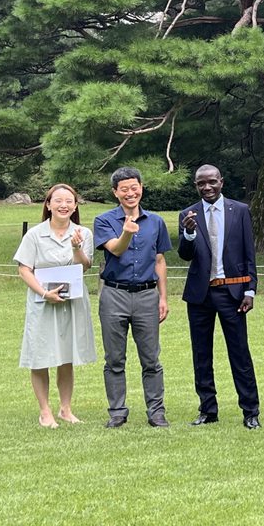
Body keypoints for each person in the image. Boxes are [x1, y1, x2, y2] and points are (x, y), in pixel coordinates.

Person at [178, 165, 261, 429]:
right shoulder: (187, 214)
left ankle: (250, 411)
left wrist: (250, 290)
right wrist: (189, 233)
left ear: (221, 182)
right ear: (196, 186)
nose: (207, 187)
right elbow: (185, 255)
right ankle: (208, 409)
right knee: (202, 354)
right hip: (200, 295)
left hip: (233, 292)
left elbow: (249, 254)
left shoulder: (240, 211)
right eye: (201, 183)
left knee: (240, 353)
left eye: (212, 182)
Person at [94, 167, 172, 428]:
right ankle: (117, 411)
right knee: (114, 358)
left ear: (141, 187)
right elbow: (115, 250)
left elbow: (160, 260)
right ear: (115, 193)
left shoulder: (156, 222)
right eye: (124, 189)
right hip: (114, 294)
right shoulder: (104, 221)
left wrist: (163, 297)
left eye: (134, 187)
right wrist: (127, 231)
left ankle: (156, 411)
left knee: (151, 358)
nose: (130, 193)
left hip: (147, 296)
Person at [13, 183, 96, 428]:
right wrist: (43, 292)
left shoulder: (83, 233)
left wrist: (76, 247)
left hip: (72, 303)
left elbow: (84, 266)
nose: (63, 205)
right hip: (43, 302)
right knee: (40, 357)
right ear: (48, 205)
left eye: (69, 201)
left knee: (66, 355)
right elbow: (24, 269)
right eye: (57, 200)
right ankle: (45, 411)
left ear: (75, 205)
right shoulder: (35, 234)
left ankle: (65, 409)